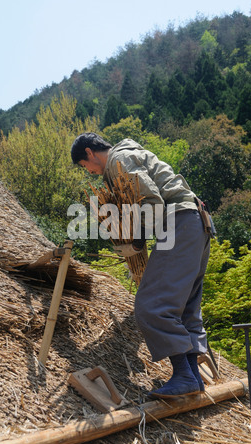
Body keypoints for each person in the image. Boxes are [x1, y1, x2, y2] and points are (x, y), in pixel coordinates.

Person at [71, 132, 211, 398]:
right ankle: (192, 377)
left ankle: (183, 375)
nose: (88, 171)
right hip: (197, 223)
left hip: (179, 223)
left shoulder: (119, 159)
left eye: (84, 165)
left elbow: (152, 202)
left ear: (89, 152)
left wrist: (135, 242)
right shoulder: (131, 155)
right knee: (185, 308)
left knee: (151, 305)